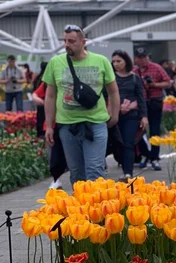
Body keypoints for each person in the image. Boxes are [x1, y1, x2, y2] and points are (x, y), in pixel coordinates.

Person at [43, 24, 119, 185]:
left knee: (95, 170)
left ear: (83, 42)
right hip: (67, 126)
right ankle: (81, 208)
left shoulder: (101, 61)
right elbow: (49, 96)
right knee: (77, 173)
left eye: (71, 41)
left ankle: (97, 208)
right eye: (64, 41)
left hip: (96, 123)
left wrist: (114, 115)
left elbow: (113, 91)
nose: (67, 45)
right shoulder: (55, 62)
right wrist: (49, 125)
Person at [112, 50, 148, 181]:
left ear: (126, 61)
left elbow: (141, 97)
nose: (116, 64)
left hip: (132, 115)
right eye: (114, 61)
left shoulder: (135, 78)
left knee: (128, 143)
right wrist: (118, 107)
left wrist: (143, 116)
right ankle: (123, 167)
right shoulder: (111, 77)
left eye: (119, 61)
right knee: (117, 144)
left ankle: (128, 173)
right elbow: (106, 96)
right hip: (114, 115)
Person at [133, 47, 171, 170]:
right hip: (140, 104)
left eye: (144, 57)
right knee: (139, 131)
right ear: (135, 59)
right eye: (139, 58)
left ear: (148, 57)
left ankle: (155, 157)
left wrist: (154, 85)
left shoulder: (156, 68)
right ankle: (145, 155)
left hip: (155, 101)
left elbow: (168, 82)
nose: (142, 60)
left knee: (155, 130)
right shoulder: (134, 71)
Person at [32, 62, 47, 138]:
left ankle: (40, 133)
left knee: (40, 117)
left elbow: (34, 89)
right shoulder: (45, 78)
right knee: (43, 118)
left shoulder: (38, 77)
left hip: (40, 101)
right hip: (44, 101)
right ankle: (42, 133)